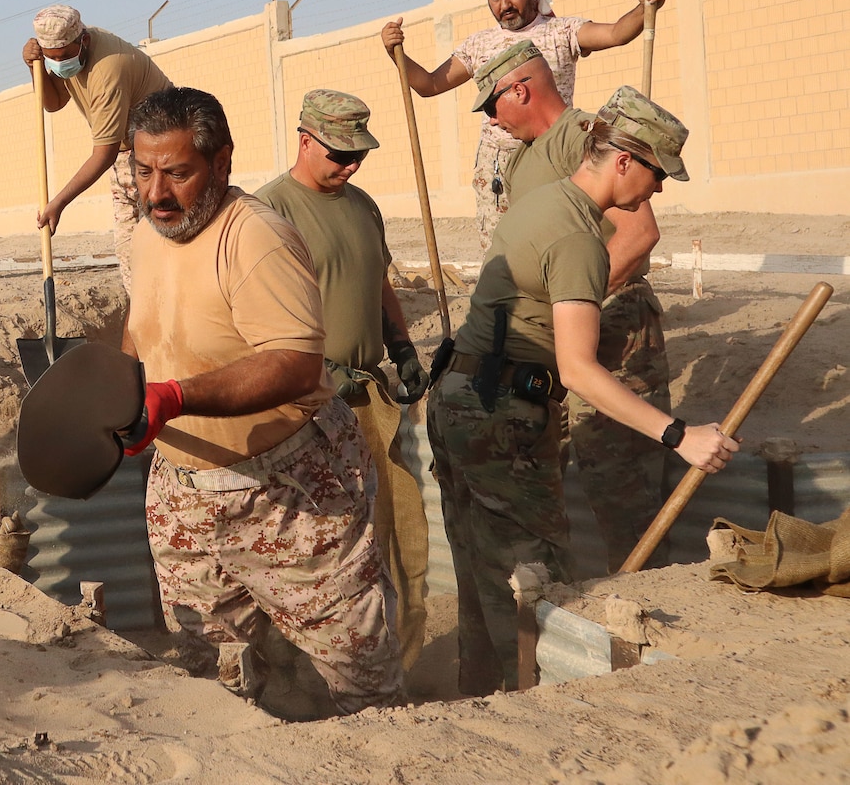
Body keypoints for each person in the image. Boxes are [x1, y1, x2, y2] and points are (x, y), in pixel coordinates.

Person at [430, 71, 737, 694]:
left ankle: (479, 697)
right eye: (657, 175)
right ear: (624, 160)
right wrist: (676, 434)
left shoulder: (542, 201)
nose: (659, 190)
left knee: (483, 573)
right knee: (540, 579)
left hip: (461, 399)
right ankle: (536, 709)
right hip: (502, 416)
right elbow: (578, 369)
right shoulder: (577, 235)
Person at [119, 86, 402, 715]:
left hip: (291, 491)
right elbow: (142, 332)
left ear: (221, 163)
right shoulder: (149, 235)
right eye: (143, 172)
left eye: (177, 173)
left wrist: (174, 396)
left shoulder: (255, 238)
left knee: (359, 684)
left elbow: (295, 365)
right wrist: (119, 396)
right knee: (211, 674)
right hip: (184, 494)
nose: (157, 194)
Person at [480, 42, 675, 570]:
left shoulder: (586, 139)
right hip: (562, 335)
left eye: (492, 106)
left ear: (520, 90)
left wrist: (575, 301)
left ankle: (641, 604)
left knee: (617, 480)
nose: (492, 122)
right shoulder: (526, 156)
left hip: (611, 327)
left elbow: (638, 234)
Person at [256, 90, 431, 669]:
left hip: (370, 399)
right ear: (305, 140)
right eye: (338, 154)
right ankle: (314, 675)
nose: (350, 166)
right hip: (306, 409)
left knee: (399, 538)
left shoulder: (362, 205)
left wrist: (402, 346)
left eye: (359, 155)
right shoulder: (267, 213)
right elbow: (251, 315)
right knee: (323, 547)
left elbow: (377, 281)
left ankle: (398, 670)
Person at [379, 0, 667, 246]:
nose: (504, 5)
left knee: (557, 238)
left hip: (554, 157)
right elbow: (428, 84)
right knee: (501, 248)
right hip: (497, 165)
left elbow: (617, 34)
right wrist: (395, 53)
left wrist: (644, 7)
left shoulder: (562, 32)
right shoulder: (478, 45)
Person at [21, 5, 172, 290]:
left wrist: (59, 203)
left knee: (160, 252)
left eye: (64, 57)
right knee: (130, 258)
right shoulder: (70, 57)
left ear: (84, 41)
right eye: (51, 59)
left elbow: (104, 153)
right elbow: (53, 103)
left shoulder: (107, 69)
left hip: (160, 154)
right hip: (128, 155)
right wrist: (35, 69)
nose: (59, 65)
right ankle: (143, 321)